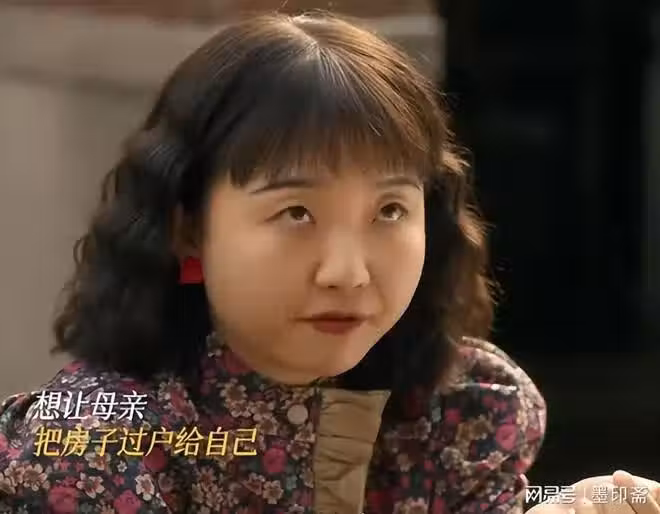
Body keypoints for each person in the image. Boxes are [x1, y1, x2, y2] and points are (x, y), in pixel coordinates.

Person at [0, 11, 653, 514]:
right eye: (296, 213)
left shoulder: (456, 409)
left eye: (389, 211)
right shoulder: (98, 441)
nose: (348, 272)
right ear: (189, 229)